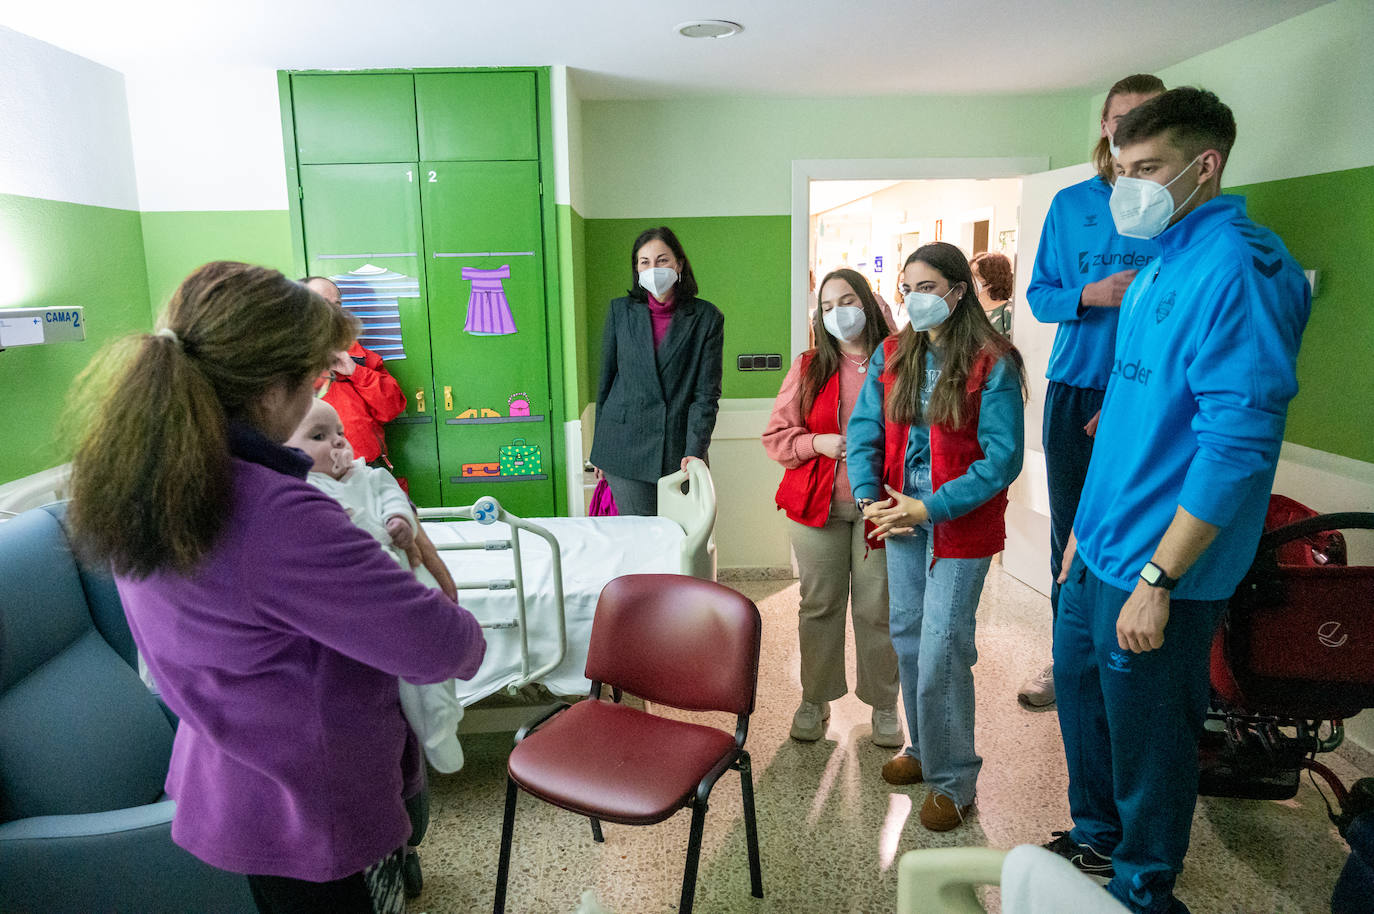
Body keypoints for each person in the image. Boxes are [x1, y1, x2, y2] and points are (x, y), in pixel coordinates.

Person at [66, 261, 487, 914]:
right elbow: (444, 646)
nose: (318, 388)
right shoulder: (275, 513)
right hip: (309, 807)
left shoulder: (145, 482)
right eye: (312, 376)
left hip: (227, 783)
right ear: (268, 391)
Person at [1044, 88, 1310, 914]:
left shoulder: (1240, 267)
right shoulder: (1160, 257)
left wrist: (1159, 578)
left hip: (1162, 565)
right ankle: (1096, 838)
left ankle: (1142, 888)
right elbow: (1127, 417)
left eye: (1148, 169)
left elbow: (1237, 447)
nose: (1131, 189)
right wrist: (1080, 532)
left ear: (1207, 165)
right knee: (1083, 698)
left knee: (1153, 741)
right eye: (1123, 170)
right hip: (1100, 545)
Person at [848, 242, 1026, 832]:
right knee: (907, 635)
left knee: (944, 646)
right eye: (907, 288)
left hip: (957, 519)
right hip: (899, 511)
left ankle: (955, 779)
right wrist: (870, 497)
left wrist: (928, 508)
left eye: (926, 287)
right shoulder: (892, 352)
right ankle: (923, 751)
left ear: (957, 291)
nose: (914, 299)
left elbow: (1001, 461)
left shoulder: (992, 361)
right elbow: (866, 428)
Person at [1019, 73, 1166, 709]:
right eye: (1121, 118)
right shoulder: (1069, 205)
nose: (1129, 128)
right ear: (1105, 126)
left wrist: (1128, 403)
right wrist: (1089, 295)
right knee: (1069, 534)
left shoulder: (1171, 209)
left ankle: (1123, 662)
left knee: (1136, 535)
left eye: (1147, 118)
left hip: (1145, 397)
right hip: (1074, 387)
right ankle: (1065, 661)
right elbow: (1040, 295)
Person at [286, 398, 466, 777]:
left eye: (339, 433)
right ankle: (429, 731)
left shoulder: (367, 474)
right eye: (318, 436)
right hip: (370, 589)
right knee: (405, 671)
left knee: (432, 652)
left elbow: (392, 497)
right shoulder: (302, 488)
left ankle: (443, 722)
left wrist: (401, 519)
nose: (336, 443)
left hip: (404, 572)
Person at [763, 267, 901, 749]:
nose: (837, 313)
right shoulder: (809, 366)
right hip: (816, 506)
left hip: (881, 507)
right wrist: (815, 442)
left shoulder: (900, 361)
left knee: (877, 609)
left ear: (868, 302)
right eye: (826, 306)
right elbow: (776, 438)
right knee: (818, 606)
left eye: (846, 300)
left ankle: (885, 704)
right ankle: (814, 699)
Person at [588, 227, 724, 515]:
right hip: (623, 446)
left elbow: (706, 394)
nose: (653, 268)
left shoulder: (706, 318)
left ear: (679, 264)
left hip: (678, 449)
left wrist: (694, 450)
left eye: (662, 260)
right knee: (638, 541)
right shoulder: (619, 312)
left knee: (681, 541)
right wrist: (600, 448)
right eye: (644, 262)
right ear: (636, 270)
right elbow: (606, 383)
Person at [302, 276, 407, 466]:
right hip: (311, 474)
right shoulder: (283, 359)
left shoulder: (360, 357)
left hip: (365, 470)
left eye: (337, 304)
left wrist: (356, 372)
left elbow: (392, 408)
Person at [970, 251, 1014, 337]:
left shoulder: (1008, 311)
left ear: (991, 279)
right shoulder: (968, 310)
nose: (970, 280)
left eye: (975, 276)